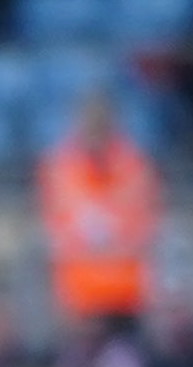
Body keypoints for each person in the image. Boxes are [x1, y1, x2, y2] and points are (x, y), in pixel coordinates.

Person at [35, 91, 162, 334]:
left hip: (126, 293)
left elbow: (143, 224)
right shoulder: (60, 167)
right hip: (79, 295)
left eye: (100, 121)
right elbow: (57, 227)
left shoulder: (133, 164)